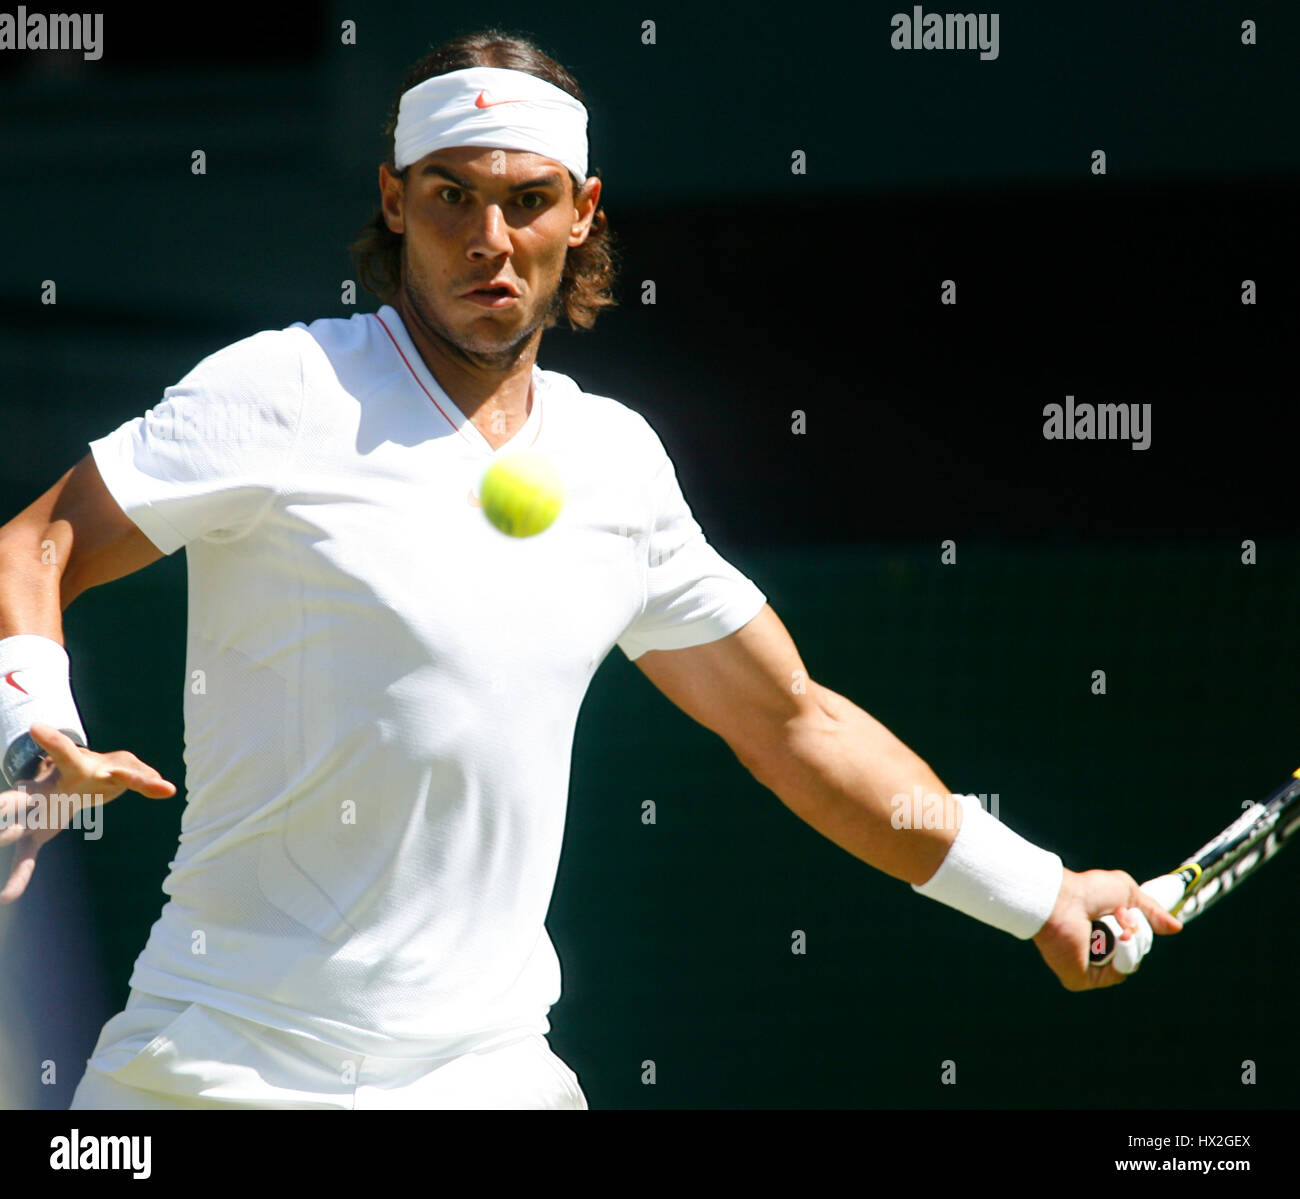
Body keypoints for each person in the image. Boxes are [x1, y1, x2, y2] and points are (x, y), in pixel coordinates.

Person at [0, 30, 1179, 1111]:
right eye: (451, 197)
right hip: (212, 1065)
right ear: (393, 203)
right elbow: (35, 541)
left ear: (583, 214)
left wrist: (1037, 891)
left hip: (485, 1076)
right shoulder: (282, 389)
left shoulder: (615, 463)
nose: (488, 239)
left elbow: (797, 724)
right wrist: (33, 722)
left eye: (527, 200)